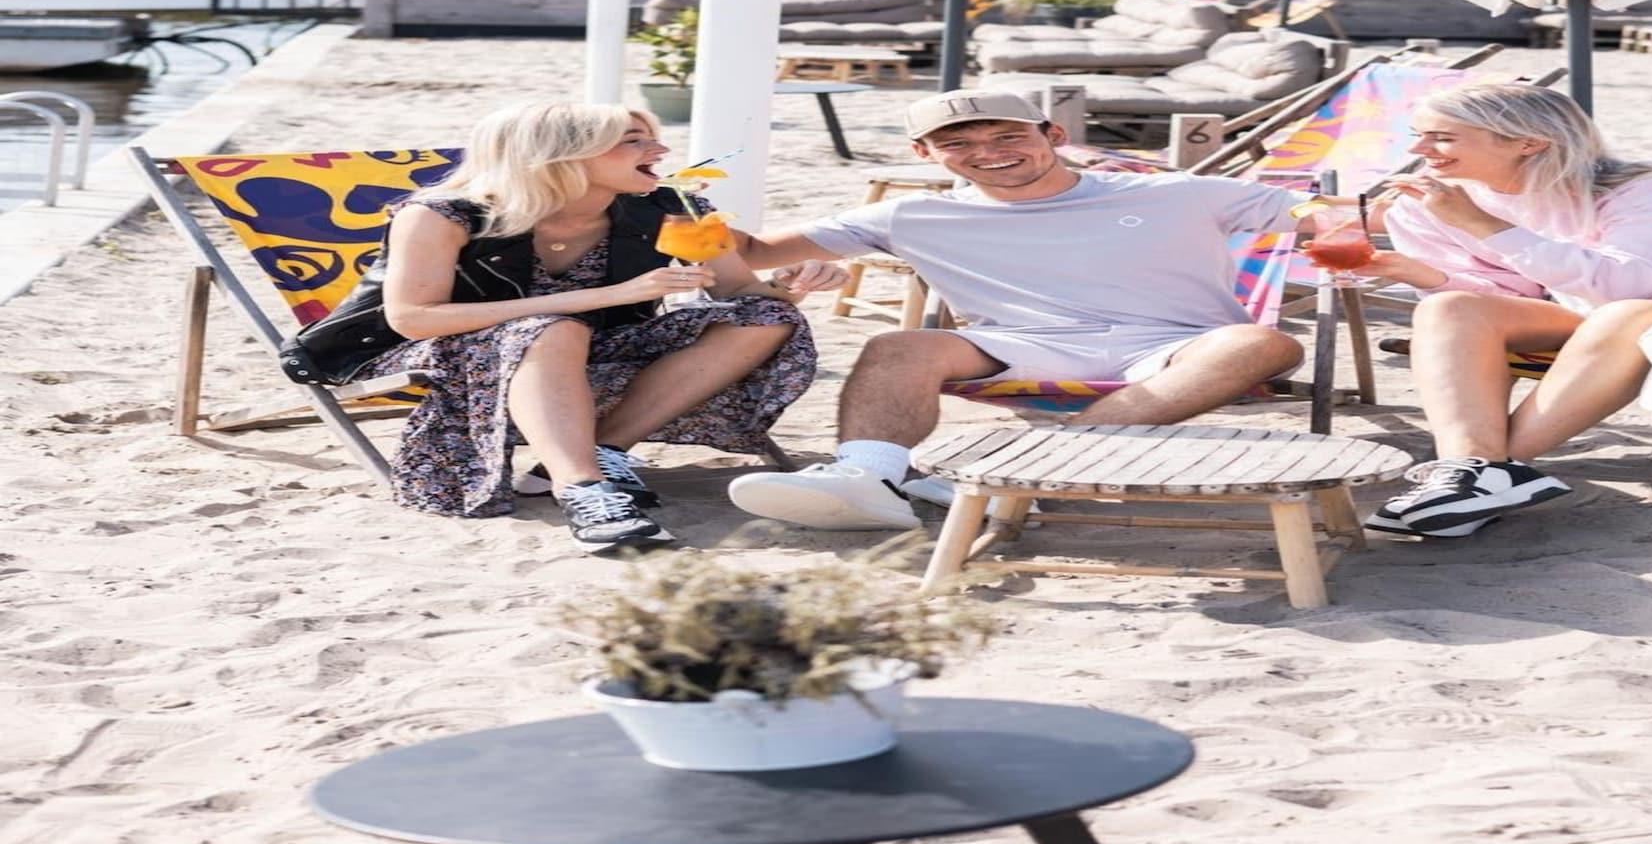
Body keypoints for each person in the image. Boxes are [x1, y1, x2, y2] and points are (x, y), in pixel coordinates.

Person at [719, 90, 1316, 530]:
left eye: (1008, 137)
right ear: (923, 152)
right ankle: (866, 478)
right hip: (1023, 345)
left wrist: (1367, 215)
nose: (989, 153)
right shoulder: (911, 215)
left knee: (1262, 342)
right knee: (898, 347)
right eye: (958, 143)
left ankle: (1046, 460)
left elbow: (1321, 216)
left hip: (1179, 347)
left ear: (1053, 135)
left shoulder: (1178, 191)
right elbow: (754, 252)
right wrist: (680, 204)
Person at [285, 103, 842, 553]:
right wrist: (605, 296)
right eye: (634, 141)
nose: (660, 151)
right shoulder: (441, 215)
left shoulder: (675, 206)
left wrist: (791, 285)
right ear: (560, 155)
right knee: (552, 328)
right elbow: (411, 317)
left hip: (590, 345)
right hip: (442, 348)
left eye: (653, 139)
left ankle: (606, 450)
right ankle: (585, 491)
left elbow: (737, 291)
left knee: (767, 317)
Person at [1358, 82, 1652, 539]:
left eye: (1442, 137)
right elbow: (1514, 292)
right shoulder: (1439, 203)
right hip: (1588, 315)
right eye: (1418, 134)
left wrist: (1486, 226)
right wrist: (1418, 273)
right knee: (1450, 308)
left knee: (1621, 314)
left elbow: (1628, 283)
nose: (1418, 149)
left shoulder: (1646, 189)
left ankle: (1485, 474)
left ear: (1528, 143)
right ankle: (1471, 471)